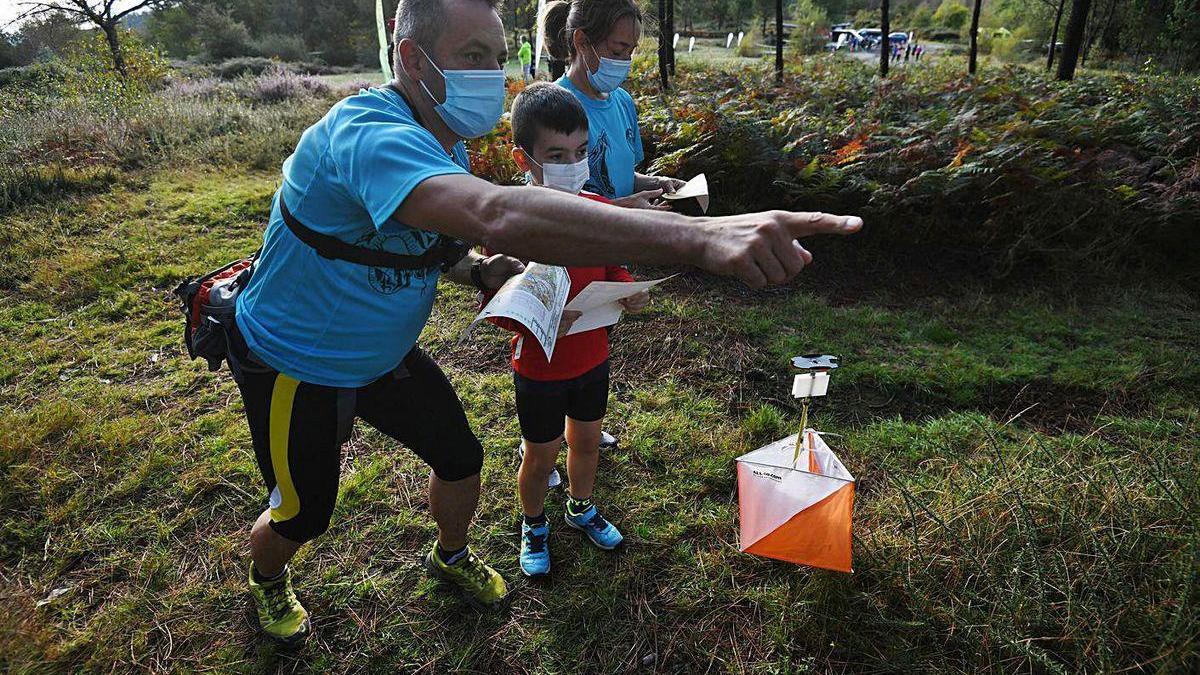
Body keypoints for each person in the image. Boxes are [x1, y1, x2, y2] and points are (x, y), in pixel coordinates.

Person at [233, 0, 861, 644]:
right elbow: (494, 213)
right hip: (300, 362)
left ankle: (450, 555)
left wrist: (479, 273)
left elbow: (429, 237)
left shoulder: (441, 140)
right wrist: (697, 236)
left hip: (385, 356)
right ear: (411, 59)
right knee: (305, 512)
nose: (490, 74)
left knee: (460, 459)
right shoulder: (368, 134)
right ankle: (267, 581)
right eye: (472, 56)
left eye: (498, 58)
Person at [488, 82, 648, 577]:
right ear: (523, 159)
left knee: (585, 441)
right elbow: (497, 304)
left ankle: (581, 507)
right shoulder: (513, 219)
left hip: (592, 360)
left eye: (580, 151)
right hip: (539, 367)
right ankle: (533, 523)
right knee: (540, 456)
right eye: (556, 154)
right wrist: (542, 318)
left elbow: (609, 265)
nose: (572, 164)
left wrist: (627, 288)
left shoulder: (593, 206)